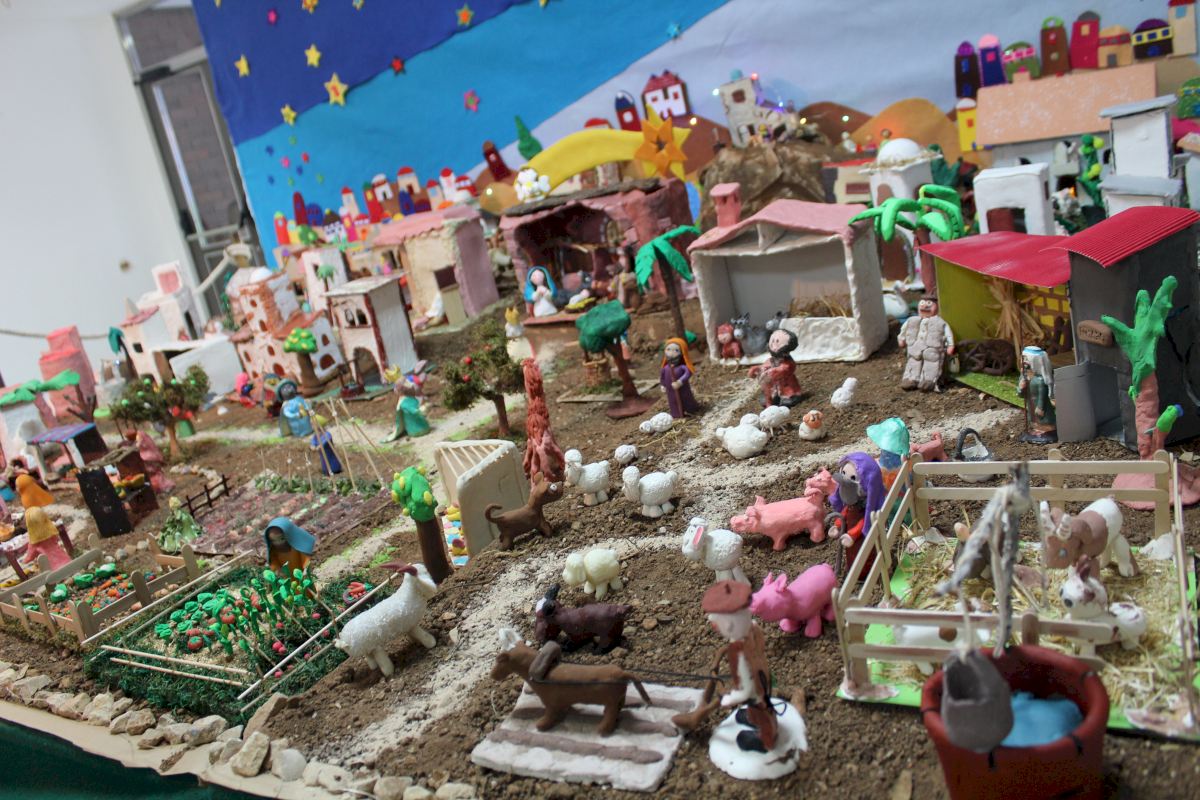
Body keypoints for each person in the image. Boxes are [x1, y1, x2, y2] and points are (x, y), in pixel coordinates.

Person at [671, 580, 778, 753]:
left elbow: (746, 690)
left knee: (762, 709)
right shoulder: (753, 627)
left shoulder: (738, 651)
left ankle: (767, 740)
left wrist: (730, 698)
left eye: (715, 624)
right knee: (758, 707)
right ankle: (753, 718)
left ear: (727, 625)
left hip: (755, 689)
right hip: (763, 674)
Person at [831, 452, 886, 576]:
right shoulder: (850, 506)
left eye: (852, 478)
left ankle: (866, 575)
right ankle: (853, 571)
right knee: (851, 555)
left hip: (860, 538)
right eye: (843, 473)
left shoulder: (866, 509)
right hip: (849, 540)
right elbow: (844, 513)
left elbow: (864, 522)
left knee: (865, 556)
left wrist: (852, 535)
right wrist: (837, 526)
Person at [898, 295, 955, 392]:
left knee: (932, 363)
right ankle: (911, 378)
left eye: (929, 304)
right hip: (914, 346)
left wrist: (950, 345)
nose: (925, 306)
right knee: (913, 361)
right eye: (922, 303)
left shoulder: (940, 322)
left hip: (932, 348)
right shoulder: (911, 320)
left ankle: (928, 380)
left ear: (937, 306)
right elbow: (903, 330)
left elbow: (948, 334)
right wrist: (901, 339)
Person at [748, 327, 803, 407]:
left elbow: (787, 368)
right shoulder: (771, 360)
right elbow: (766, 366)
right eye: (772, 340)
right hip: (773, 387)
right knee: (767, 397)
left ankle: (789, 397)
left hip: (786, 385)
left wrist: (774, 371)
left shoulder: (788, 362)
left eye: (777, 341)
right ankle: (771, 397)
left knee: (787, 399)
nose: (772, 344)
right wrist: (758, 369)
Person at [1017, 345, 1057, 443]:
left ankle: (1047, 431)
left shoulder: (1040, 380)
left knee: (1043, 418)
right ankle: (1037, 430)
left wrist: (1040, 407)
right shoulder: (1024, 377)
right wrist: (1021, 388)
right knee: (1033, 418)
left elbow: (1043, 395)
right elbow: (1020, 394)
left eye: (1026, 360)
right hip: (1031, 403)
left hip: (1040, 405)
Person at [382, 370, 430, 443]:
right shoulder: (404, 402)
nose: (411, 383)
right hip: (417, 430)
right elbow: (414, 411)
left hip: (421, 425)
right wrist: (422, 410)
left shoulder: (410, 398)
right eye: (406, 382)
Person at [660, 338, 700, 418]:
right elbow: (662, 377)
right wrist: (663, 385)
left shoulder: (682, 367)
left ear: (682, 352)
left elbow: (687, 373)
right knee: (672, 401)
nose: (671, 353)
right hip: (670, 390)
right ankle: (676, 413)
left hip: (683, 389)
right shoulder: (665, 368)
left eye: (676, 350)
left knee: (686, 398)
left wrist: (680, 382)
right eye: (668, 349)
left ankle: (691, 409)